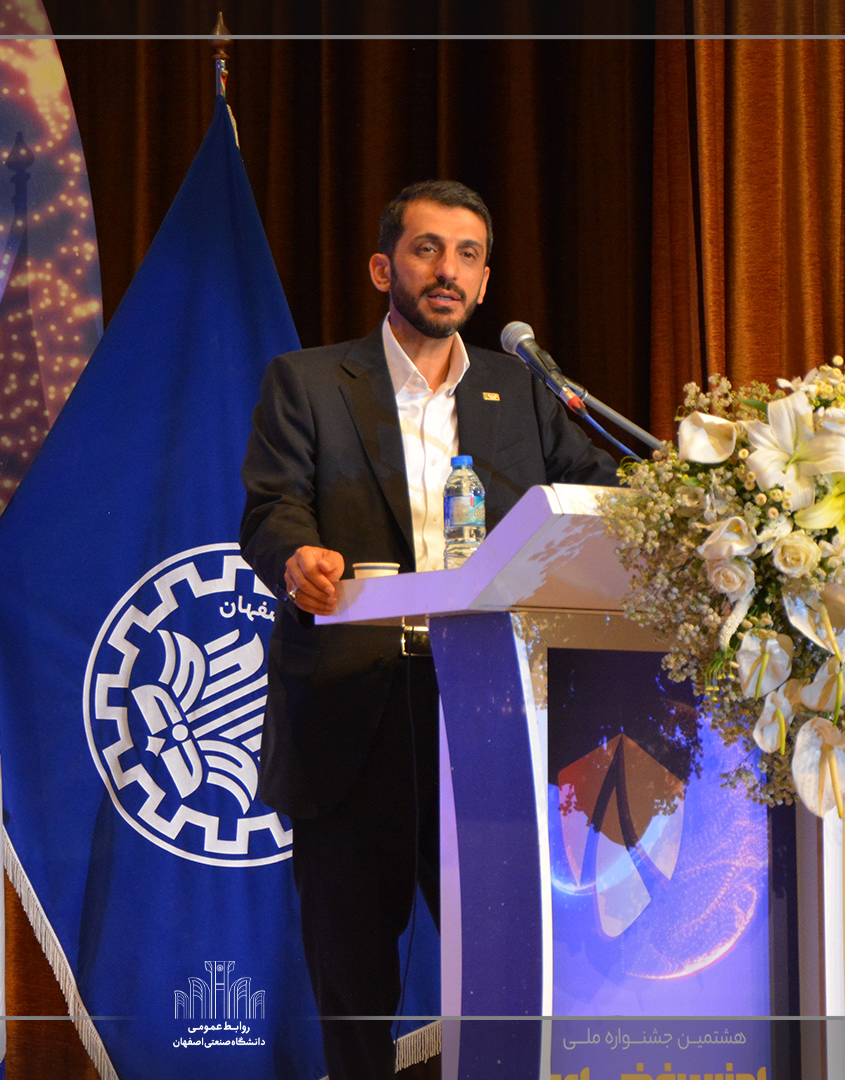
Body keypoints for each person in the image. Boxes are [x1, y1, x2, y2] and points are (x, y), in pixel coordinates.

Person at [239, 180, 618, 1078]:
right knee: (354, 983)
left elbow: (599, 491)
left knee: (514, 969)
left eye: (468, 255)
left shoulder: (521, 390)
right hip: (352, 710)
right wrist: (297, 557)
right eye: (427, 249)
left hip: (490, 712)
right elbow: (271, 508)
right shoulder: (309, 382)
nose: (448, 270)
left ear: (483, 283)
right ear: (384, 269)